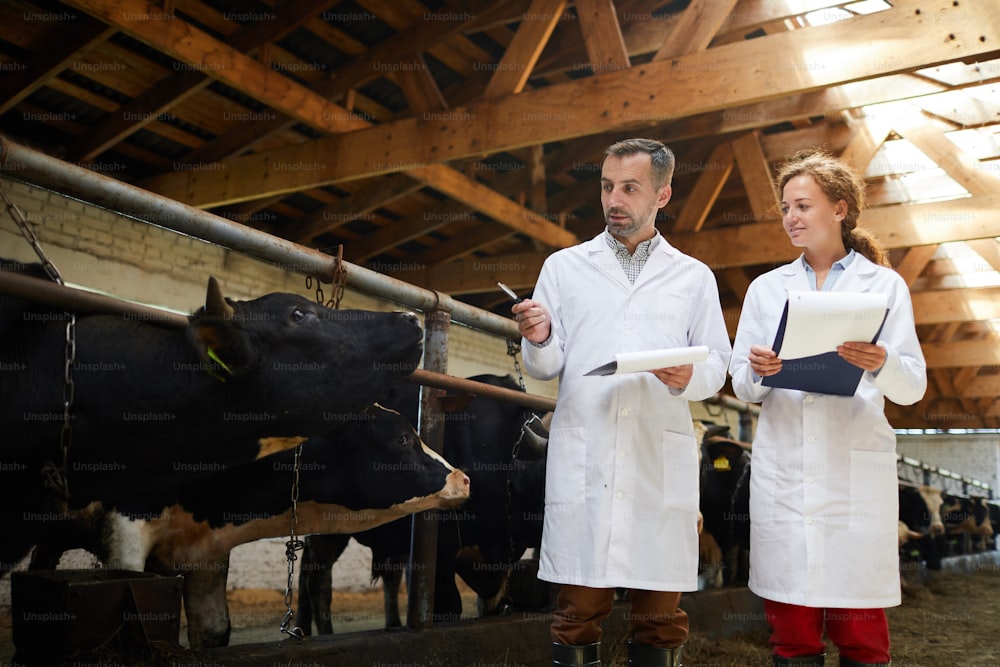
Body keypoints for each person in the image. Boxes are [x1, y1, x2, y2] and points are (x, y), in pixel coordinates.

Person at [512, 138, 732, 667]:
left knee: (660, 616)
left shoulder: (693, 276)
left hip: (657, 457)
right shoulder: (564, 267)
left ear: (663, 194)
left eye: (630, 188)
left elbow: (718, 364)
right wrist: (538, 337)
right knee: (576, 610)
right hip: (587, 453)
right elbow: (543, 366)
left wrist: (686, 376)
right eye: (608, 186)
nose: (614, 199)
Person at [728, 149, 927, 667]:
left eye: (803, 206)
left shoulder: (884, 287)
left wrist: (882, 361)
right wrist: (759, 370)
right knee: (791, 632)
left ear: (840, 209)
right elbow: (742, 385)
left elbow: (912, 387)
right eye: (786, 208)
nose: (791, 217)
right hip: (787, 472)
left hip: (852, 472)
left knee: (860, 628)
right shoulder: (766, 289)